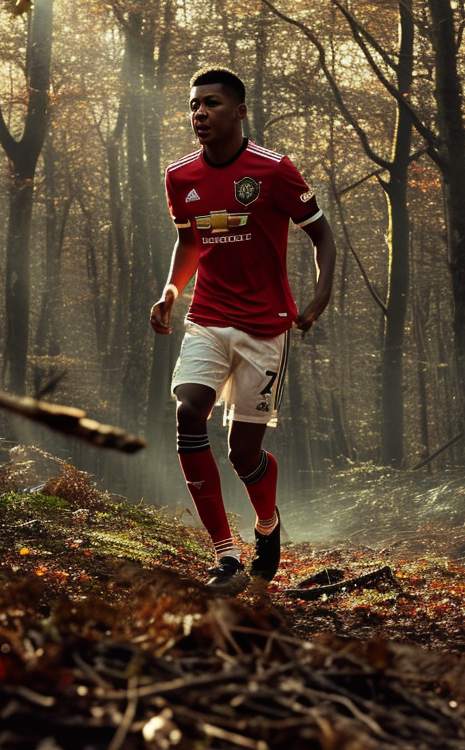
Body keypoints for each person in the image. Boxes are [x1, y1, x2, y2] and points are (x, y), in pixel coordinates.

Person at [149, 67, 336, 596]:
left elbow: (321, 236)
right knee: (188, 412)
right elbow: (189, 243)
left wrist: (318, 298)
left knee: (242, 454)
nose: (199, 114)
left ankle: (267, 525)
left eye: (210, 104)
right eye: (193, 105)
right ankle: (226, 556)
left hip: (265, 327)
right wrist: (170, 292)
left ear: (240, 110)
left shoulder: (275, 171)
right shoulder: (179, 176)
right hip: (207, 319)